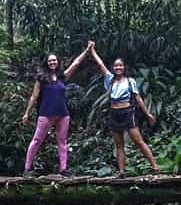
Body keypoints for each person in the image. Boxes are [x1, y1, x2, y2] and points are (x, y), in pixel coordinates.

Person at [89, 41, 160, 177]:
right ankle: (121, 172)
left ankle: (155, 166)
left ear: (124, 67)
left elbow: (138, 98)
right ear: (113, 68)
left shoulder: (130, 81)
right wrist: (92, 50)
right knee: (119, 145)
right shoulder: (110, 80)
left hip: (127, 112)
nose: (118, 67)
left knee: (138, 141)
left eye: (120, 65)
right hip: (114, 113)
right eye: (116, 65)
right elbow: (100, 64)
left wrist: (148, 114)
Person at [22, 43, 92, 177]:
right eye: (50, 61)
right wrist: (27, 113)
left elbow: (75, 64)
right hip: (46, 113)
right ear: (46, 63)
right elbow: (34, 96)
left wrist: (87, 51)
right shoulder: (41, 78)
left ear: (57, 62)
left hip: (62, 113)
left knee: (62, 141)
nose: (52, 62)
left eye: (54, 60)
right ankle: (27, 169)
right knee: (37, 140)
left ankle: (63, 169)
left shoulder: (62, 77)